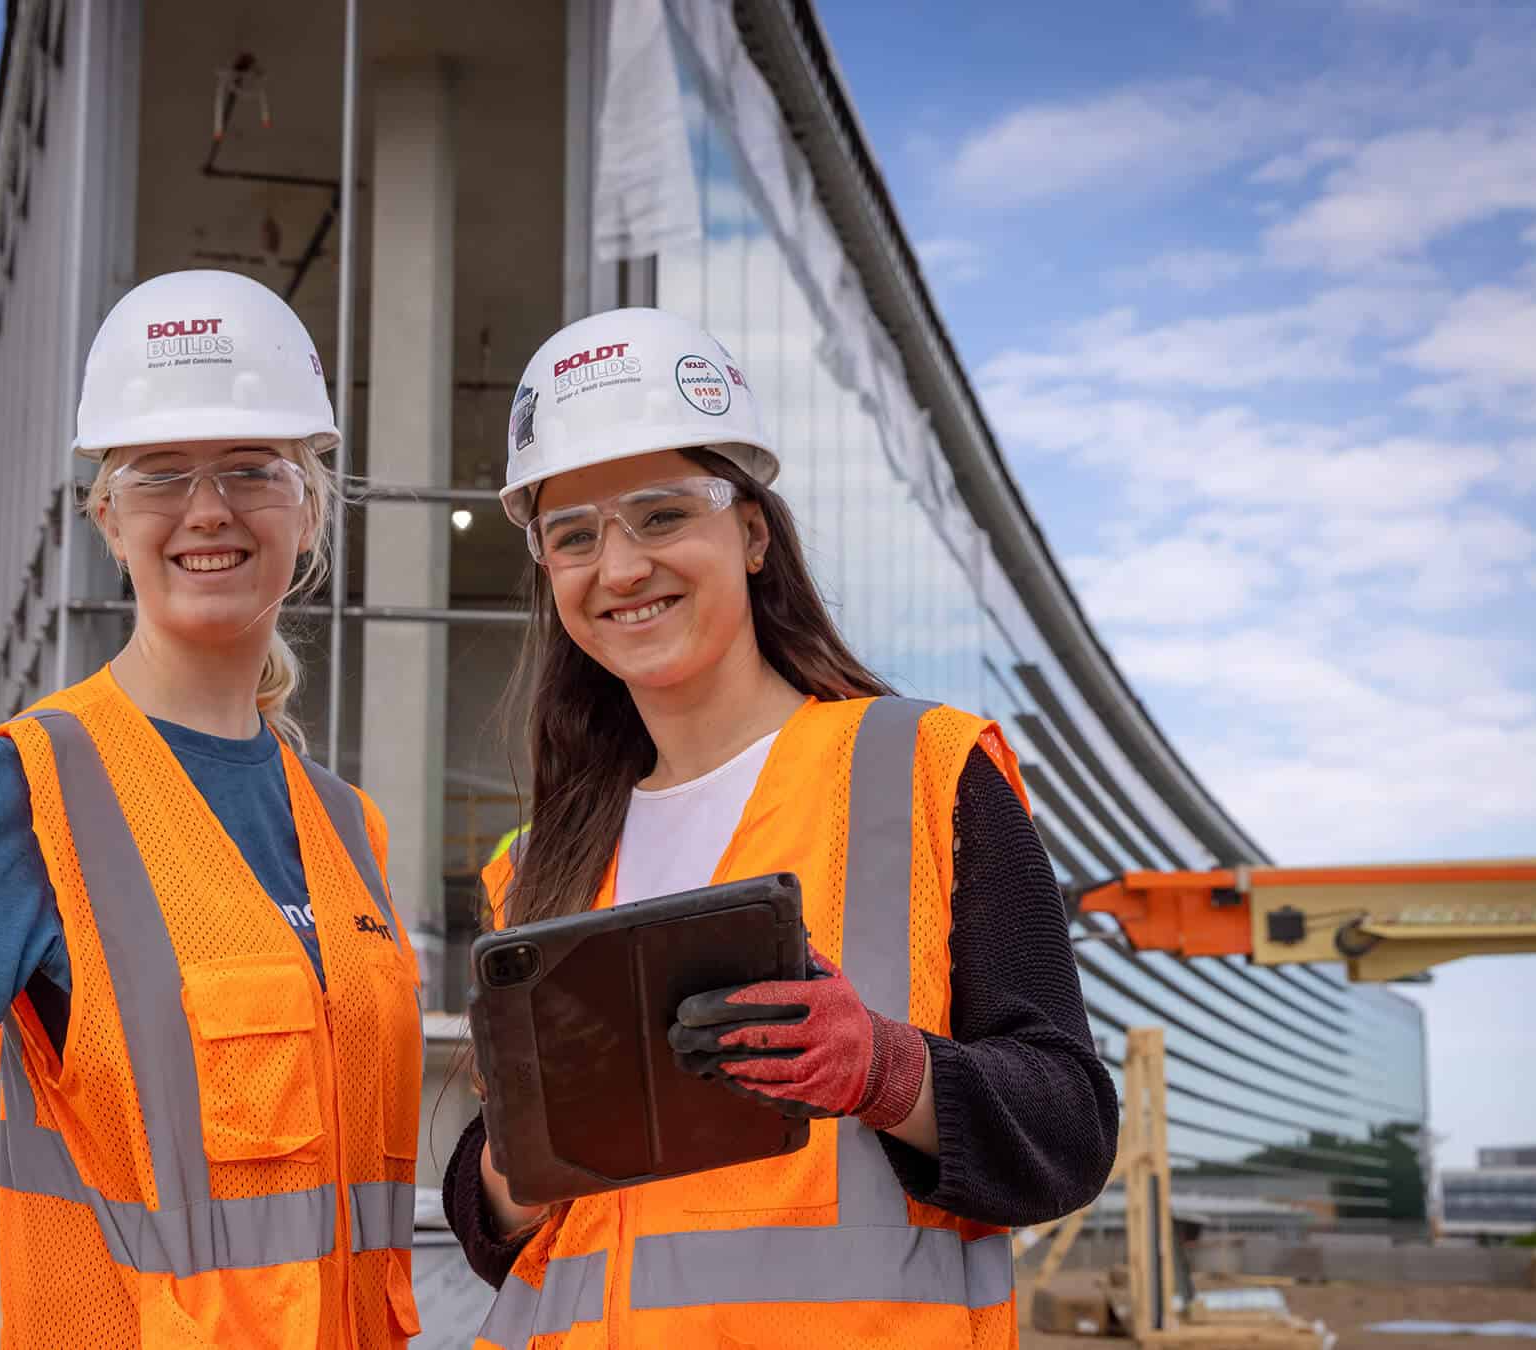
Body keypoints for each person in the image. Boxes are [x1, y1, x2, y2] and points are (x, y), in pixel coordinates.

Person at [441, 308, 1117, 1347]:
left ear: (751, 532)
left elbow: (1068, 1131)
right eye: (573, 535)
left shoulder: (921, 769)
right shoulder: (533, 866)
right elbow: (504, 1232)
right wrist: (514, 1164)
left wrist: (889, 1073)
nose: (618, 568)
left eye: (662, 516)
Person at [0, 270, 427, 1350]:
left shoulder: (346, 825)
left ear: (309, 508)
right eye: (161, 474)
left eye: (253, 471)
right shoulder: (35, 783)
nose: (208, 508)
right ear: (108, 518)